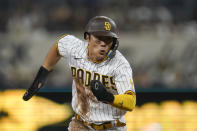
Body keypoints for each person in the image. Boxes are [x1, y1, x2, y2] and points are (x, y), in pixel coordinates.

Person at [23, 16, 136, 131]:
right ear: (87, 37)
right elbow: (59, 46)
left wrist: (108, 97)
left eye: (108, 40)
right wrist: (43, 73)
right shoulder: (75, 48)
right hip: (81, 124)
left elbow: (131, 102)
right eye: (99, 38)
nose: (103, 44)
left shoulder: (120, 65)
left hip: (112, 126)